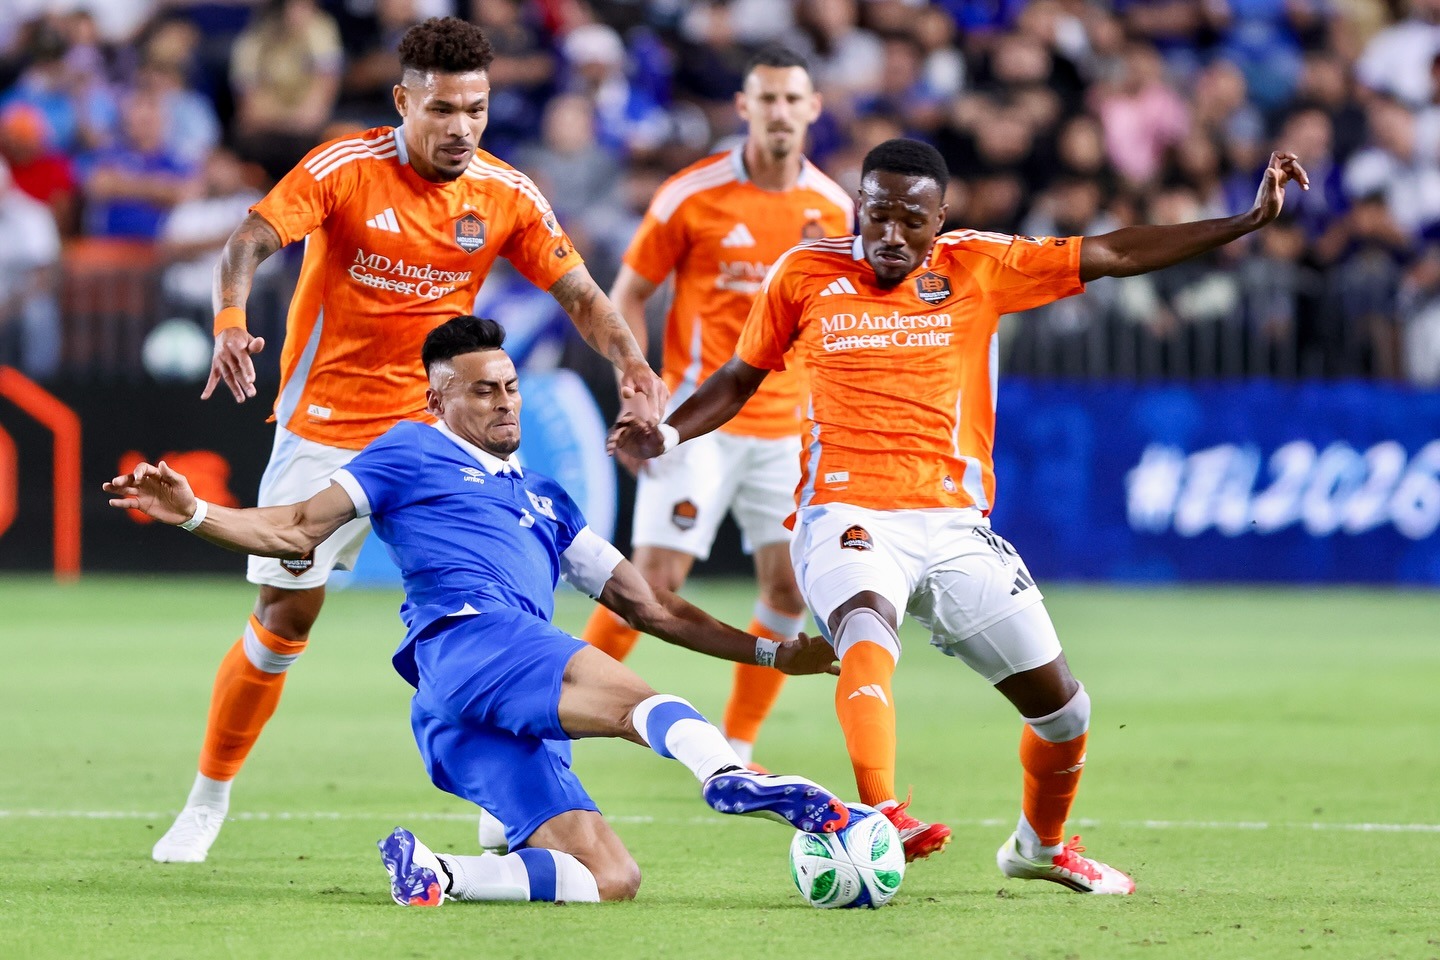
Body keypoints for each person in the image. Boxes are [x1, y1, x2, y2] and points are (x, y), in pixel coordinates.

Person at [612, 138, 1309, 889]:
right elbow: (741, 376)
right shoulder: (806, 272)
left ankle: (1039, 850)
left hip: (952, 524)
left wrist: (1245, 219)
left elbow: (1114, 253)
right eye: (876, 214)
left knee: (1065, 713)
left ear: (939, 220)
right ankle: (881, 813)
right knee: (864, 631)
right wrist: (672, 431)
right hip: (845, 509)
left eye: (911, 221)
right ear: (858, 205)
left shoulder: (980, 265)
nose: (890, 235)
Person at [106, 316, 848, 905]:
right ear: (438, 400)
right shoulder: (408, 452)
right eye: (482, 391)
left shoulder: (546, 501)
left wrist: (773, 654)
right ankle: (726, 774)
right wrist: (197, 512)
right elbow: (296, 525)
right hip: (477, 642)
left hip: (462, 710)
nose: (503, 401)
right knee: (643, 704)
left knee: (608, 878)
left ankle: (439, 872)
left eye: (510, 386)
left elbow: (650, 605)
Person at [152, 16, 666, 865]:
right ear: (404, 102)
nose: (461, 127)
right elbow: (250, 239)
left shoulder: (506, 193)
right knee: (285, 619)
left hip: (438, 434)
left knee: (505, 608)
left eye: (477, 109)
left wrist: (631, 360)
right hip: (325, 425)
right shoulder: (344, 169)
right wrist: (232, 320)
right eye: (442, 110)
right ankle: (208, 798)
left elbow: (579, 293)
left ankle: (512, 805)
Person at [581, 45, 853, 772]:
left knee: (786, 587)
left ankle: (737, 746)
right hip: (696, 423)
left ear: (813, 109)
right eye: (766, 99)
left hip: (789, 427)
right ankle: (558, 721)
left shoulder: (833, 211)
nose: (780, 113)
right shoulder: (690, 195)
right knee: (653, 582)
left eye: (794, 100)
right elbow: (629, 291)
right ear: (744, 108)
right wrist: (638, 387)